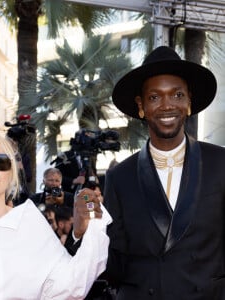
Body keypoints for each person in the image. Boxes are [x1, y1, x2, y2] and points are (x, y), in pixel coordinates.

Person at [103, 46, 225, 299]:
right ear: (141, 106)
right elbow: (114, 264)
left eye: (177, 94)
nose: (167, 105)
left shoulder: (221, 163)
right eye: (155, 97)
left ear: (189, 102)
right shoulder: (119, 177)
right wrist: (83, 233)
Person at [0, 130, 112, 299]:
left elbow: (71, 286)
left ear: (10, 172)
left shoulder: (30, 222)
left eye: (1, 161)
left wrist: (94, 222)